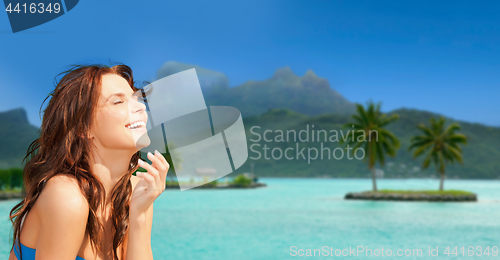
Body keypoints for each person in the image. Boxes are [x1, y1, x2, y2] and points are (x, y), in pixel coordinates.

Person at [8, 64, 169, 260]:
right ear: (83, 129)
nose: (141, 106)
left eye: (136, 99)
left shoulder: (136, 192)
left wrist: (139, 214)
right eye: (118, 102)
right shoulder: (67, 196)